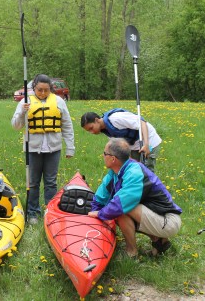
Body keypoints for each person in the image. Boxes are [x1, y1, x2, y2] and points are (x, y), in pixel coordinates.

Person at [88, 138, 182, 257]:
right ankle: (159, 241)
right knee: (116, 208)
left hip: (169, 221)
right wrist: (93, 214)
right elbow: (100, 197)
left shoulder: (134, 173)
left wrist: (100, 214)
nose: (103, 155)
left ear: (113, 159)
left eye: (105, 153)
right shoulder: (115, 172)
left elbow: (121, 204)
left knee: (120, 210)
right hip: (156, 215)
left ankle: (131, 252)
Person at [11, 74, 75, 224]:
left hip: (54, 149)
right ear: (34, 88)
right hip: (33, 149)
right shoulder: (25, 102)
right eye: (40, 90)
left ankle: (50, 210)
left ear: (51, 89)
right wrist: (22, 112)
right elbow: (15, 125)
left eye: (46, 90)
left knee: (51, 182)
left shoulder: (59, 101)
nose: (43, 93)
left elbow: (67, 125)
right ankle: (33, 212)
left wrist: (70, 147)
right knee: (33, 182)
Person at [80, 108, 161, 172]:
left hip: (149, 140)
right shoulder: (106, 129)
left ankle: (151, 191)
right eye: (88, 131)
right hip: (134, 145)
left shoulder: (116, 118)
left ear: (96, 120)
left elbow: (142, 122)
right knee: (135, 170)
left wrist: (146, 144)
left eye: (91, 128)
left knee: (147, 170)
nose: (92, 132)